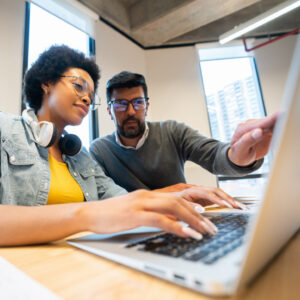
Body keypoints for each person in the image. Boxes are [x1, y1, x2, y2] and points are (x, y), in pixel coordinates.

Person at [0, 45, 244, 247]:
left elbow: (124, 202)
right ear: (47, 82)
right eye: (78, 86)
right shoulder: (4, 129)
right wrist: (85, 215)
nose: (86, 98)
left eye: (91, 94)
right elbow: (98, 212)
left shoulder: (82, 158)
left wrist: (179, 195)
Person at [90, 71, 278, 193]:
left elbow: (213, 156)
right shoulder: (99, 151)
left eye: (138, 102)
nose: (131, 111)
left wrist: (237, 157)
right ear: (109, 110)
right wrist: (175, 191)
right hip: (130, 230)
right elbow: (106, 199)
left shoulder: (173, 132)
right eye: (121, 104)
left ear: (146, 106)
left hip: (184, 222)